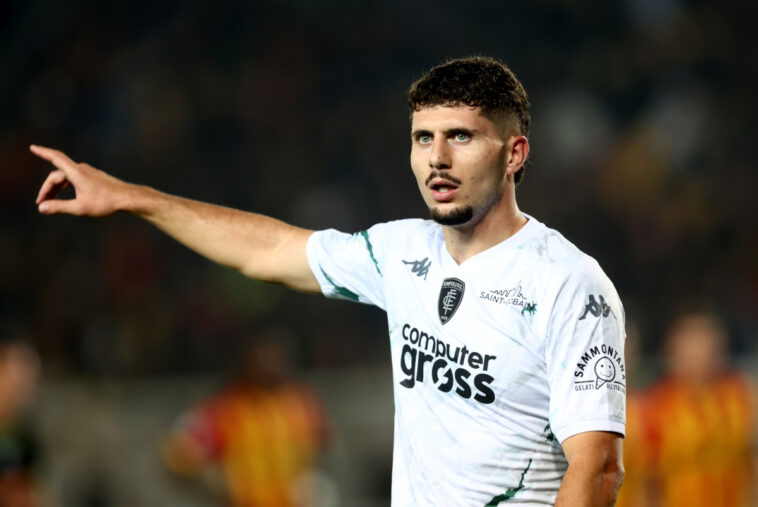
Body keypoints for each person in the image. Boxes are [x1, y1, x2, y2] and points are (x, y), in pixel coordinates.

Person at [31, 56, 626, 506]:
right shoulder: (401, 251)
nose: (436, 158)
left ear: (515, 152)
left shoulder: (569, 285)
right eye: (424, 138)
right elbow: (268, 250)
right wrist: (130, 198)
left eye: (461, 137)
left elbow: (597, 467)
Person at [161, 329, 330, 506]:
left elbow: (321, 447)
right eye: (262, 353)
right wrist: (211, 483)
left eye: (276, 354)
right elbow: (179, 453)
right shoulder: (226, 406)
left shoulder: (302, 402)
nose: (270, 361)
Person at [642, 311, 757, 507]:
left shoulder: (740, 394)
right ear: (672, 351)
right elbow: (648, 480)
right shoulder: (655, 405)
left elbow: (752, 459)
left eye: (707, 342)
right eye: (692, 343)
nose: (701, 353)